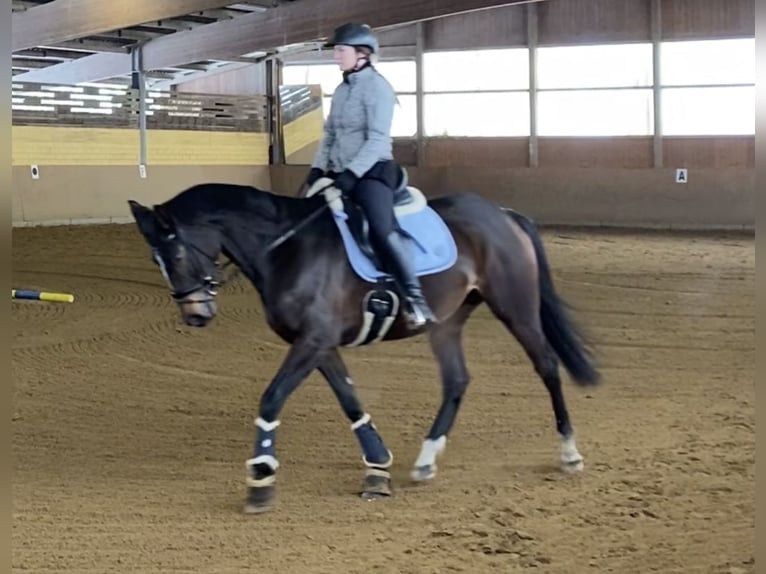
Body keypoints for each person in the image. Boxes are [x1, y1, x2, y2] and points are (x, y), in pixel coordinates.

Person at [303, 22, 436, 328]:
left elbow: (377, 140)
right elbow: (330, 135)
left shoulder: (378, 89)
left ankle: (415, 299)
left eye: (340, 50)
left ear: (362, 53)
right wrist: (317, 167)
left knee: (380, 228)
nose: (336, 56)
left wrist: (352, 174)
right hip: (339, 171)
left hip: (374, 172)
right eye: (336, 50)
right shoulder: (340, 90)